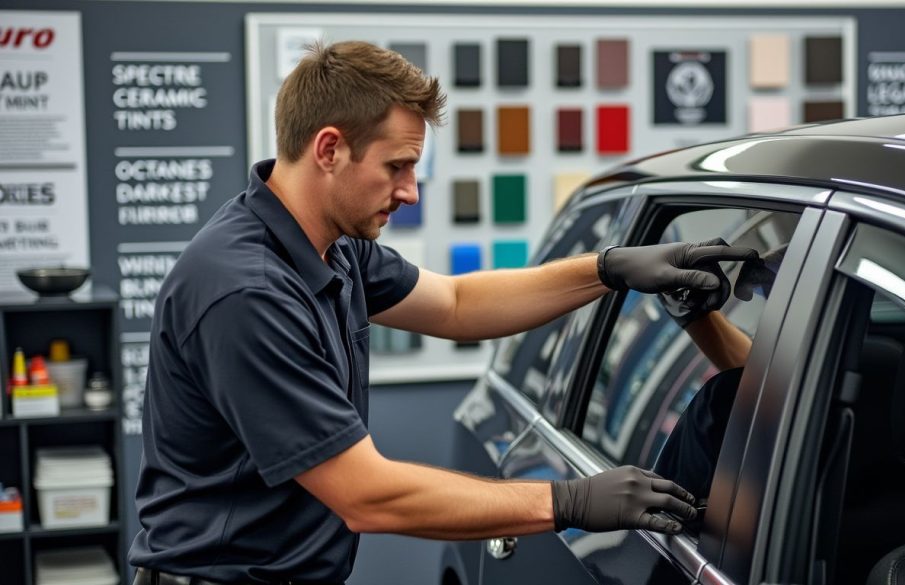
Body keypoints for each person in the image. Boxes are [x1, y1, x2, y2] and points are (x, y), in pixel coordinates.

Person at [128, 41, 758, 585]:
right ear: (328, 149)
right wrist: (569, 499)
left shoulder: (333, 246)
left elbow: (457, 304)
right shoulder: (247, 292)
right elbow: (366, 496)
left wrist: (607, 270)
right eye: (397, 166)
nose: (410, 192)